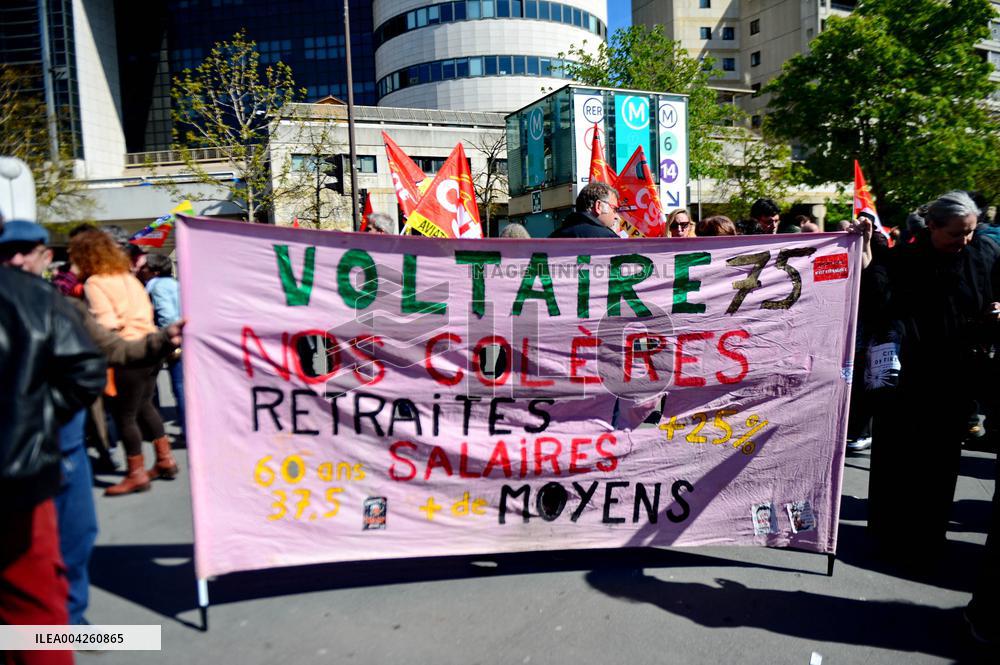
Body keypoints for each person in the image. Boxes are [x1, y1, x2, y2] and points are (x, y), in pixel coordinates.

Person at [862, 191, 1000, 556]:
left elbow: (988, 299)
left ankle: (928, 538)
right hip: (908, 381)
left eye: (970, 232)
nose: (964, 240)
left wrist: (994, 313)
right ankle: (889, 537)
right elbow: (876, 306)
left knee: (940, 466)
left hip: (954, 378)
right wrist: (862, 249)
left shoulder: (980, 256)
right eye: (956, 233)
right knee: (900, 462)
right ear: (933, 226)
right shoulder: (901, 261)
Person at [2, 226, 106, 663]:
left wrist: (33, 417)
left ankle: (74, 623)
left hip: (35, 464)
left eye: (27, 250)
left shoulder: (41, 299)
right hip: (21, 476)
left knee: (71, 545)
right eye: (11, 251)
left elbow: (95, 360)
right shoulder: (32, 298)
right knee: (33, 609)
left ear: (45, 254)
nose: (20, 259)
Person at [69, 230, 177, 496]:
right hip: (150, 348)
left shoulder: (95, 282)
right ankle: (165, 459)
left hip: (125, 352)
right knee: (145, 406)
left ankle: (136, 473)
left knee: (125, 415)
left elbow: (107, 324)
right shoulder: (128, 278)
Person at [139, 254, 184, 431]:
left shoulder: (156, 286)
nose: (142, 271)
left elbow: (167, 317)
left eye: (145, 268)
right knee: (181, 385)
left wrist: (165, 335)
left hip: (167, 340)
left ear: (154, 271)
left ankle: (155, 425)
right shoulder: (176, 284)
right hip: (181, 338)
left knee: (162, 385)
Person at [549, 181, 621, 239]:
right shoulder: (608, 239)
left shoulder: (553, 237)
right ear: (599, 206)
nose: (617, 217)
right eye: (614, 209)